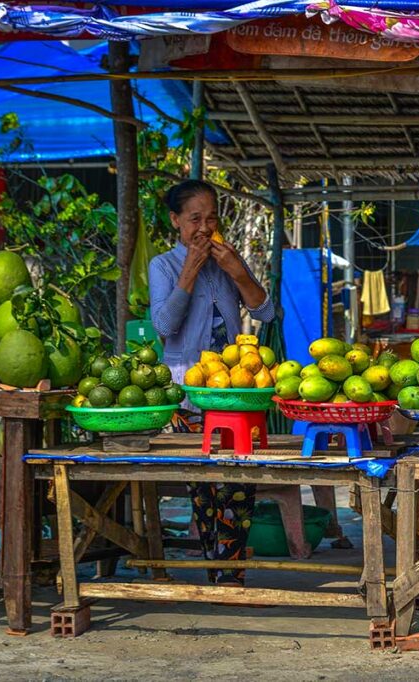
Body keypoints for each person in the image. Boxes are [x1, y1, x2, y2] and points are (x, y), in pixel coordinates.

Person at [149, 179, 275, 586]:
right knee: (203, 488)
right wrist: (189, 271)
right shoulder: (163, 266)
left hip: (235, 393)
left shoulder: (228, 262)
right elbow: (165, 325)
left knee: (239, 482)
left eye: (212, 218)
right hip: (188, 394)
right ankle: (218, 569)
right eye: (194, 219)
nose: (204, 228)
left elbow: (266, 312)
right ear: (176, 222)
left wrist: (238, 272)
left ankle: (231, 573)